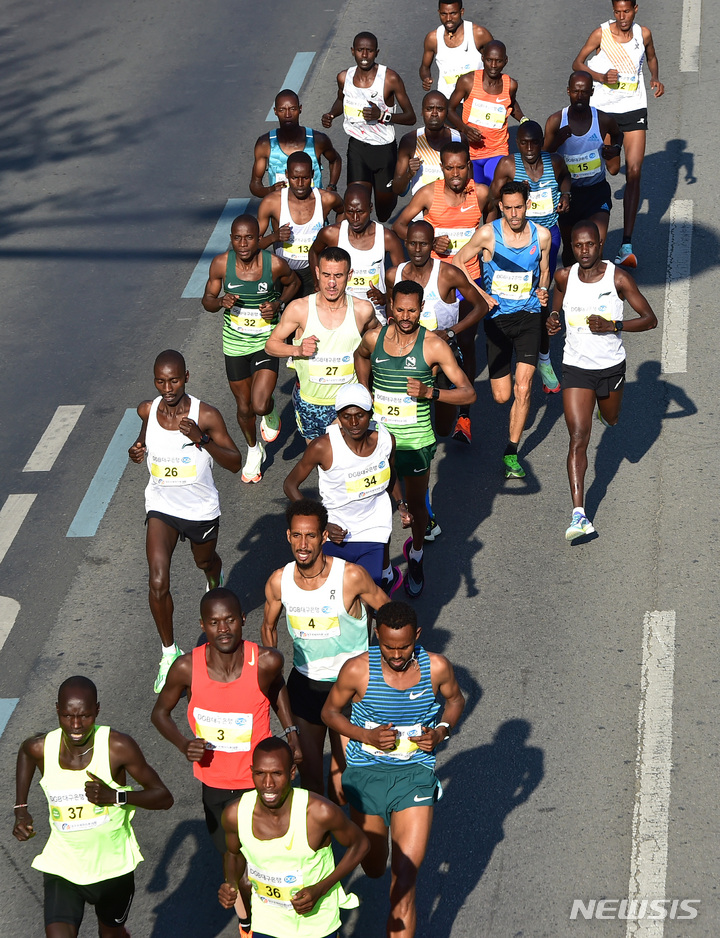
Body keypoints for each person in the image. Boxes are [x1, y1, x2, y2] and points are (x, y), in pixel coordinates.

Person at [321, 601, 466, 938]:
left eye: (404, 646)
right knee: (373, 866)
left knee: (404, 880)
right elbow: (330, 712)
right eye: (388, 647)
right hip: (366, 775)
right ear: (377, 636)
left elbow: (456, 700)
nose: (397, 655)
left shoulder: (437, 668)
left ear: (417, 635)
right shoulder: (358, 670)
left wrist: (441, 731)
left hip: (414, 775)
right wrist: (365, 735)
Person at [13, 676, 173, 938]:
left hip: (113, 869)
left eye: (85, 716)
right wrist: (21, 809)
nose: (76, 725)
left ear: (97, 710)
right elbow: (26, 751)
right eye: (67, 716)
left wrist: (116, 796)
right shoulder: (42, 748)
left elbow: (164, 798)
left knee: (111, 934)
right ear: (57, 710)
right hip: (63, 867)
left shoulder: (117, 747)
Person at [151, 588, 301, 856]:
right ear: (202, 625)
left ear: (242, 619)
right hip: (214, 782)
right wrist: (184, 745)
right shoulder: (186, 668)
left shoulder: (266, 661)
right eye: (214, 622)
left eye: (230, 620)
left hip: (259, 780)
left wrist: (291, 732)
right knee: (231, 858)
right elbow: (159, 713)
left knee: (267, 857)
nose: (223, 629)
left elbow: (277, 685)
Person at [128, 350, 242, 692]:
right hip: (161, 506)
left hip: (199, 511)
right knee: (158, 581)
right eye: (160, 381)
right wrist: (136, 449)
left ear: (187, 377)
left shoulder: (205, 415)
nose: (167, 388)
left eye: (174, 380)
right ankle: (168, 652)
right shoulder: (148, 410)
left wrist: (201, 439)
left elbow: (235, 462)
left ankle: (214, 573)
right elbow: (143, 438)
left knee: (203, 561)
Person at [355, 281, 476, 597]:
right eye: (400, 309)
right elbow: (360, 355)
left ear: (421, 308)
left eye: (412, 310)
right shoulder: (374, 338)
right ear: (390, 307)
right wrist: (363, 390)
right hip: (379, 442)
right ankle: (384, 570)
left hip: (416, 442)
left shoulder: (433, 346)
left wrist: (430, 392)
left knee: (420, 507)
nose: (406, 316)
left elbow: (468, 392)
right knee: (377, 506)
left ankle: (417, 555)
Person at [261, 499, 389, 797]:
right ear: (288, 536)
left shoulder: (350, 576)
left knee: (349, 782)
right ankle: (325, 842)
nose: (303, 544)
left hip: (351, 690)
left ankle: (356, 837)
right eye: (296, 535)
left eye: (310, 536)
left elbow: (390, 614)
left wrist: (389, 665)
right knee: (310, 780)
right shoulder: (279, 581)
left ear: (324, 537)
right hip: (305, 687)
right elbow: (268, 627)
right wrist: (273, 672)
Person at [547, 220, 657, 539]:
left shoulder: (617, 278)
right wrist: (554, 317)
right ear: (572, 246)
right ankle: (579, 514)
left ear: (599, 245)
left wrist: (614, 326)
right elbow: (558, 295)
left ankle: (604, 409)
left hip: (610, 367)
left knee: (611, 417)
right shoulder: (565, 276)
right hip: (577, 368)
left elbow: (650, 319)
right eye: (578, 245)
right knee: (579, 437)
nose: (584, 251)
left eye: (590, 245)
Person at [218, 738, 369, 938]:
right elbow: (233, 854)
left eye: (276, 774)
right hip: (267, 922)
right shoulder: (235, 814)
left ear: (291, 773)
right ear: (252, 771)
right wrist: (231, 883)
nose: (268, 784)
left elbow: (361, 844)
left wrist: (321, 889)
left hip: (316, 925)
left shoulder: (318, 813)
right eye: (260, 774)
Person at [393, 141, 489, 445]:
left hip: (470, 280)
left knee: (465, 344)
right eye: (450, 167)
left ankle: (464, 415)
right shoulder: (427, 193)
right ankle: (416, 399)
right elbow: (399, 225)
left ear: (469, 167)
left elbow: (493, 228)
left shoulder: (482, 194)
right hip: (437, 281)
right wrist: (431, 245)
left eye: (461, 167)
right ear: (442, 168)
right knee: (425, 340)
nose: (456, 173)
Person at [454, 181, 551, 479]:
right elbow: (458, 262)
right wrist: (480, 295)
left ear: (528, 205)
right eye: (507, 208)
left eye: (518, 207)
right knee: (501, 396)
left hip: (528, 317)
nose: (514, 214)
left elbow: (544, 270)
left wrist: (543, 289)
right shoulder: (487, 234)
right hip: (496, 320)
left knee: (523, 387)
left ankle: (511, 451)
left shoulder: (542, 236)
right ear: (501, 207)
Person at [201, 214, 300, 484]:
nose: (243, 244)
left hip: (267, 341)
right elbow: (206, 301)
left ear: (259, 239)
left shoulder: (275, 265)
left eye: (249, 238)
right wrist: (221, 301)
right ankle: (254, 450)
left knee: (258, 404)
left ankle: (269, 412)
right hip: (234, 344)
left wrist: (278, 304)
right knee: (243, 407)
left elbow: (294, 283)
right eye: (237, 238)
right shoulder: (222, 264)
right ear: (231, 239)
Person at [283, 383, 403, 588]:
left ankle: (385, 576)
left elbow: (391, 476)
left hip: (372, 529)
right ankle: (387, 575)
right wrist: (321, 524)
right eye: (346, 416)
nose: (354, 422)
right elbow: (290, 485)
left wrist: (401, 504)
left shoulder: (386, 440)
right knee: (339, 599)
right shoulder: (323, 447)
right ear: (338, 416)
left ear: (371, 413)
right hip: (335, 534)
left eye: (360, 415)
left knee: (366, 596)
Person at [572, 0, 664, 266]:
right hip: (604, 113)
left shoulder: (643, 33)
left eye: (626, 11)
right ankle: (582, 227)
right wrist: (600, 77)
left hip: (634, 108)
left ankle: (626, 244)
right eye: (617, 12)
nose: (622, 17)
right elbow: (577, 62)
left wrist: (655, 77)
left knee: (634, 173)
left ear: (636, 9)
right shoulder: (601, 34)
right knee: (608, 170)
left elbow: (651, 57)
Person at [488, 120, 572, 392]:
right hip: (516, 239)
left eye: (534, 142)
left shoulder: (555, 161)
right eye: (523, 143)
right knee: (522, 293)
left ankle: (543, 358)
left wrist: (566, 193)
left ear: (541, 142)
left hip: (547, 235)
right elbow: (492, 197)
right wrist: (512, 190)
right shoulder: (508, 166)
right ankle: (519, 341)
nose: (529, 148)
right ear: (517, 144)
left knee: (540, 294)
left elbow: (565, 177)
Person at [387, 219, 489, 441]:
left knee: (442, 427)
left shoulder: (448, 274)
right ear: (405, 243)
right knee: (404, 419)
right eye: (412, 244)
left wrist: (452, 332)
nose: (417, 250)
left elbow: (481, 306)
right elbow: (389, 304)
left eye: (423, 244)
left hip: (442, 356)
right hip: (406, 354)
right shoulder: (394, 274)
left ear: (432, 244)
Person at [265, 246, 378, 442]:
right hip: (310, 402)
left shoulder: (363, 310)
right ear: (317, 273)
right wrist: (297, 349)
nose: (331, 283)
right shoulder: (299, 309)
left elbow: (378, 340)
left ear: (349, 275)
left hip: (348, 404)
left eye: (338, 275)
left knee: (345, 462)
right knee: (322, 466)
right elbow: (271, 345)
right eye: (326, 275)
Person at [322, 31, 416, 222]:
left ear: (376, 52)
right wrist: (332, 113)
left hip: (384, 150)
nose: (364, 56)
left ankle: (396, 187)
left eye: (369, 51)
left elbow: (411, 117)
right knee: (358, 202)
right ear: (352, 51)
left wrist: (382, 115)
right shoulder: (344, 77)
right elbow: (341, 100)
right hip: (358, 147)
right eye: (360, 50)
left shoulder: (389, 79)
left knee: (383, 213)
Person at [544, 71, 623, 267]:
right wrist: (557, 141)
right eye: (576, 91)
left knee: (596, 244)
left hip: (596, 191)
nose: (580, 96)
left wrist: (615, 148)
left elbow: (618, 134)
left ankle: (594, 288)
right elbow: (543, 156)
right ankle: (572, 287)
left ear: (592, 92)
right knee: (572, 250)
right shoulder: (556, 120)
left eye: (585, 92)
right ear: (568, 91)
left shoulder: (603, 119)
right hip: (567, 194)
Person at [309, 183, 405, 325]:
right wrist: (318, 283)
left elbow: (403, 275)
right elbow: (313, 252)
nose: (355, 218)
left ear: (370, 208)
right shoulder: (332, 234)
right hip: (339, 314)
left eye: (360, 212)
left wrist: (386, 297)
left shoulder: (386, 237)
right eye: (350, 212)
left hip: (375, 315)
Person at [257, 151, 344, 298]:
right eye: (295, 178)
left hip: (314, 269)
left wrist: (335, 237)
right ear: (286, 174)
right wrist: (274, 237)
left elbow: (342, 209)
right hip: (285, 272)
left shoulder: (326, 199)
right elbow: (254, 245)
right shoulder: (272, 202)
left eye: (305, 178)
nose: (300, 184)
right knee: (285, 315)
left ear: (312, 174)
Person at [446, 40, 525, 187]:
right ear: (483, 58)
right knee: (477, 195)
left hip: (497, 150)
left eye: (498, 61)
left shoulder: (511, 85)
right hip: (471, 152)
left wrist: (524, 119)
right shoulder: (467, 81)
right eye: (489, 60)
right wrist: (465, 129)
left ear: (505, 61)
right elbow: (449, 109)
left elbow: (511, 103)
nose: (493, 66)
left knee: (495, 191)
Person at [249, 89, 342, 198]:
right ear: (275, 111)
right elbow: (255, 185)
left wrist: (332, 187)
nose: (288, 114)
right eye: (282, 110)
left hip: (314, 208)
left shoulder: (317, 140)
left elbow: (335, 160)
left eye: (292, 109)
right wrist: (271, 190)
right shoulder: (265, 144)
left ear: (300, 109)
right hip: (281, 211)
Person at [391, 91, 465, 200]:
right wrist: (409, 174)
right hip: (420, 213)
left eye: (440, 109)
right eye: (429, 109)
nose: (434, 114)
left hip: (450, 212)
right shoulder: (410, 141)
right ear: (422, 111)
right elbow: (397, 190)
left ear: (447, 113)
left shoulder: (459, 140)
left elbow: (468, 183)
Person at [419, 0, 492, 92]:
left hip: (476, 98)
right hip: (448, 100)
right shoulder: (433, 39)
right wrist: (426, 78)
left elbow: (495, 61)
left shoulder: (478, 34)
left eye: (453, 13)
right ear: (438, 12)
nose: (448, 18)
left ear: (462, 12)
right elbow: (424, 67)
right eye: (443, 14)